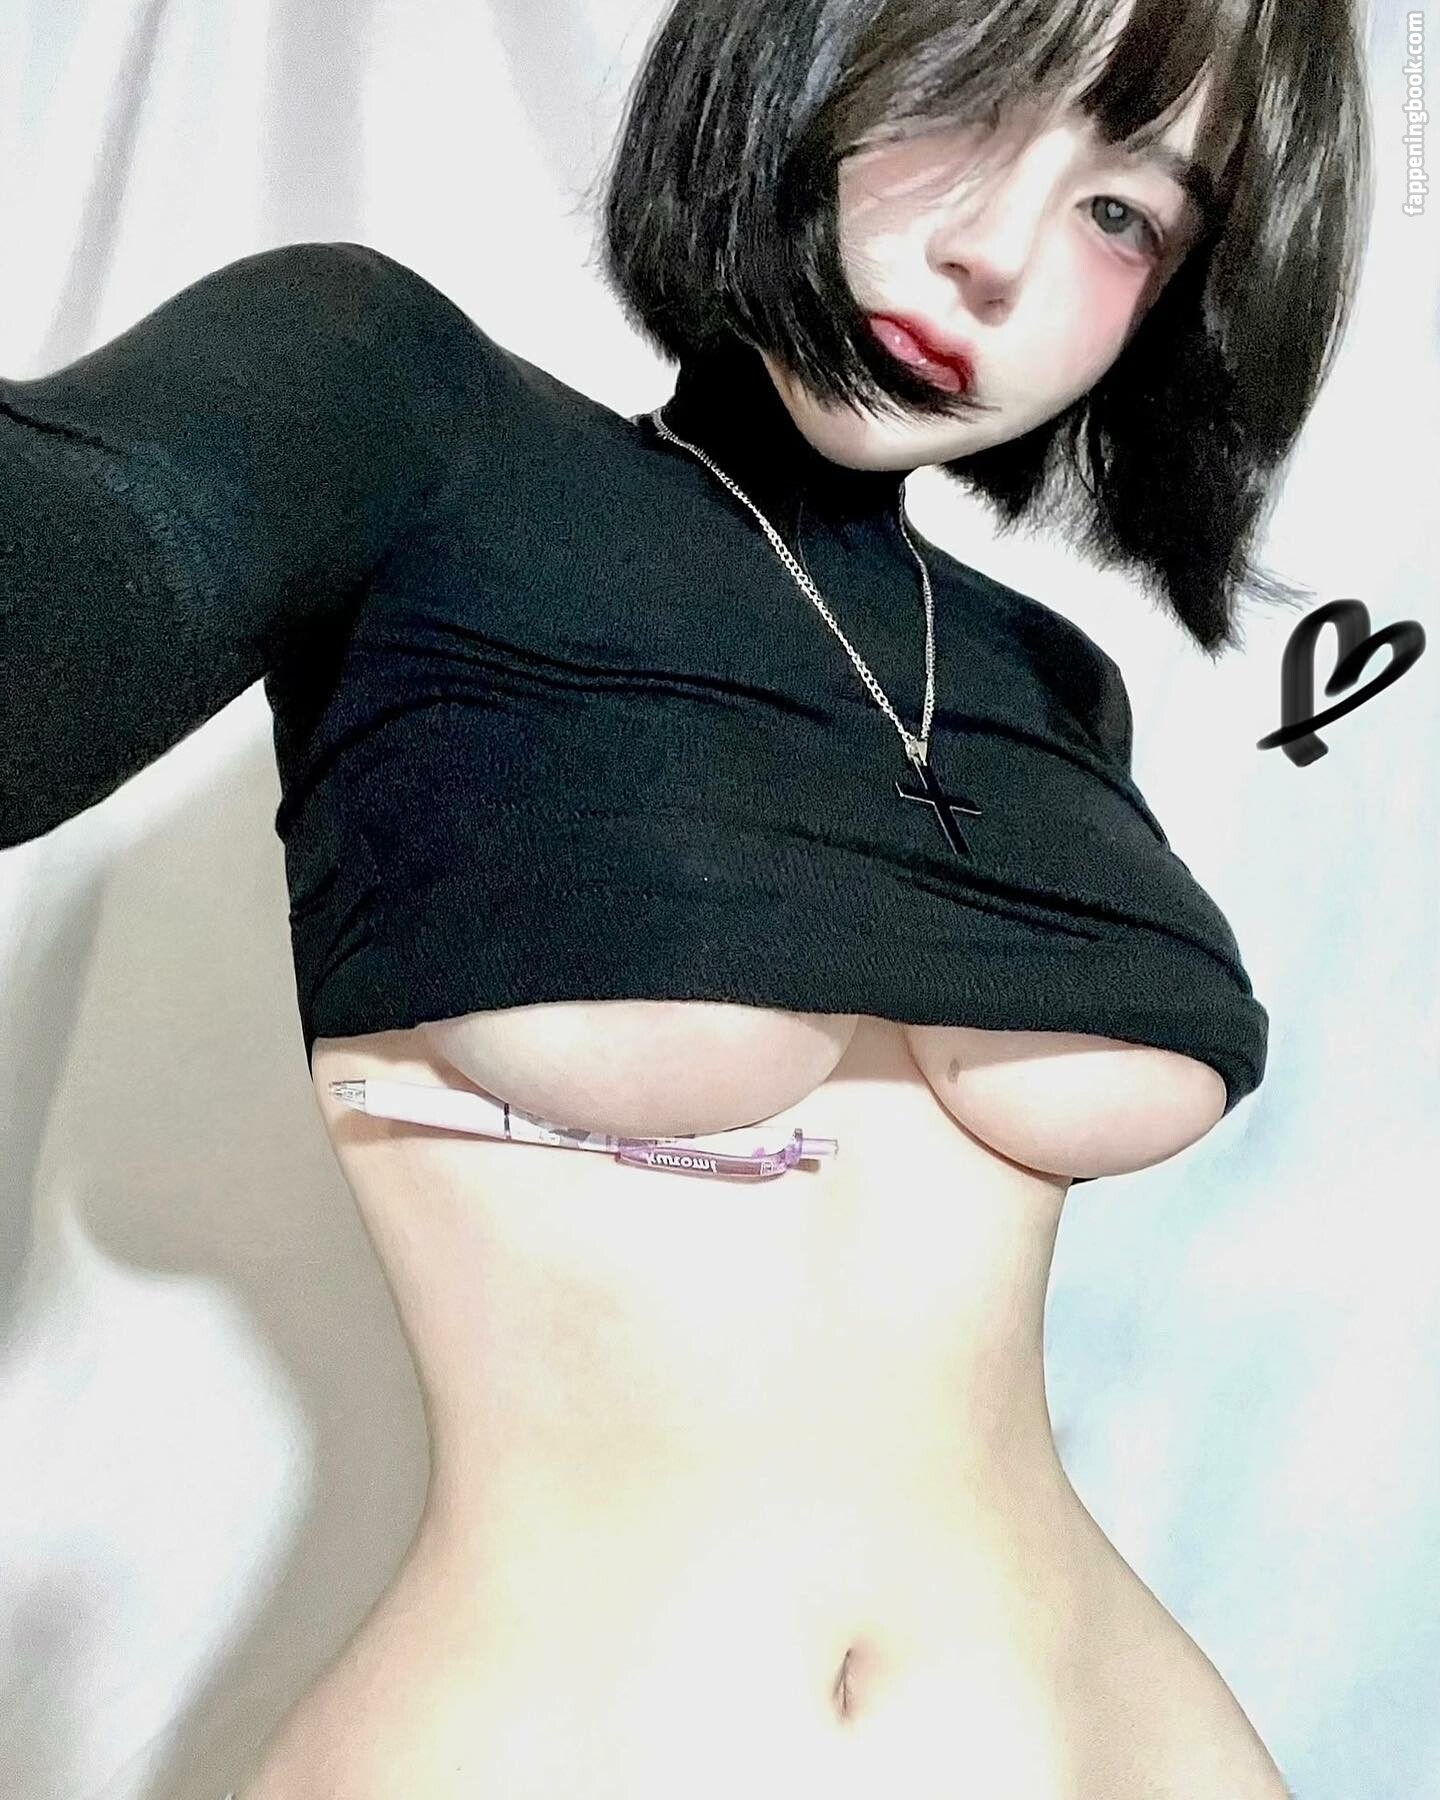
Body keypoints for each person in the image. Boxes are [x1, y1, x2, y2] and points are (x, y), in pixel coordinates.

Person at [1, 0, 1368, 1794]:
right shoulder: (403, 423)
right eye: (967, 99)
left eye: (1125, 212)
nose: (998, 253)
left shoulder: (1054, 686)